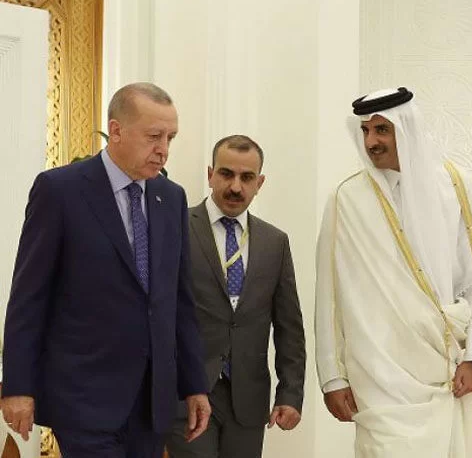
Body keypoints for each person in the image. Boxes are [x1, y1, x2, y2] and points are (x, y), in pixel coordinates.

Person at [0, 82, 211, 457]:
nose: (164, 149)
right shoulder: (60, 190)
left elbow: (180, 301)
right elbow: (29, 297)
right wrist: (17, 386)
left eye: (170, 138)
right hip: (84, 399)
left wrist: (195, 385)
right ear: (116, 131)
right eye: (154, 136)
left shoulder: (171, 197)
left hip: (152, 403)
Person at [315, 87, 472, 457]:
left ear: (407, 129)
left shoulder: (455, 187)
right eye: (365, 131)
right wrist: (332, 377)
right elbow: (328, 294)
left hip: (445, 366)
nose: (371, 141)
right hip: (378, 371)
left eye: (382, 130)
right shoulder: (346, 198)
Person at [166, 135, 306, 457]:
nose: (235, 187)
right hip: (187, 394)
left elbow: (289, 327)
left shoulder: (274, 242)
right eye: (226, 174)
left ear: (260, 183)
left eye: (246, 178)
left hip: (248, 401)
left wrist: (290, 394)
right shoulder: (176, 227)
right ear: (210, 174)